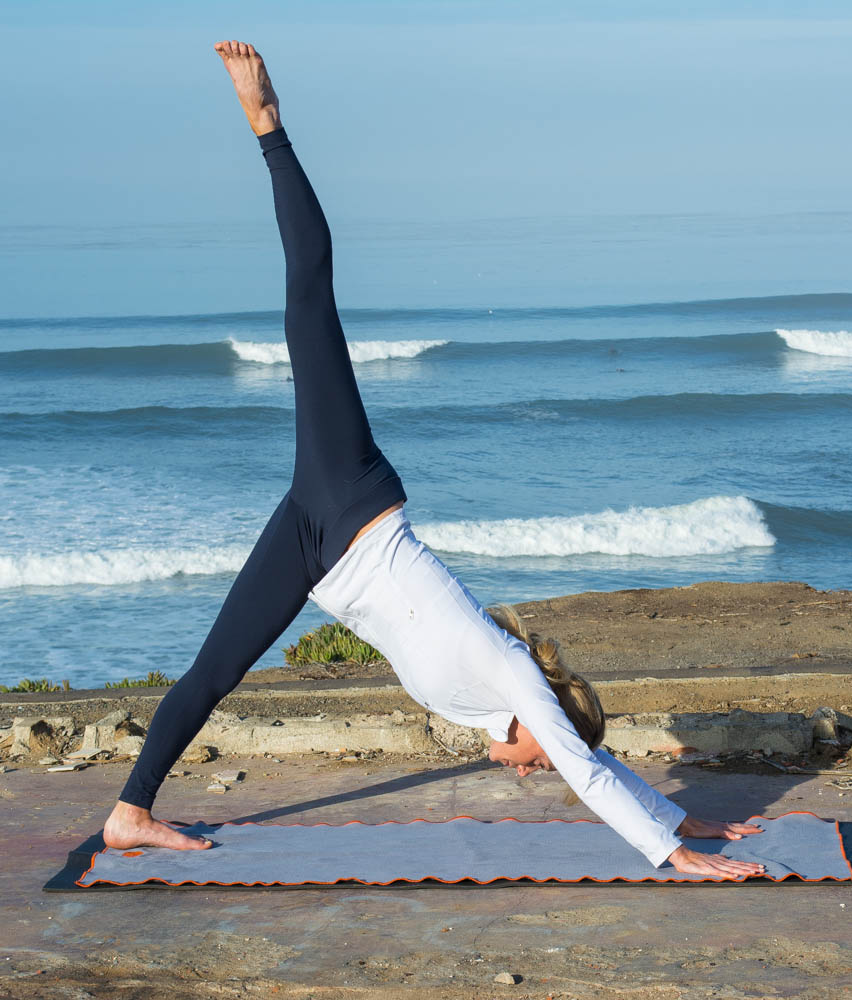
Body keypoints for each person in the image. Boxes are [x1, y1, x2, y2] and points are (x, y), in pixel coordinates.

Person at [102, 40, 766, 879]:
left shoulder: (506, 709)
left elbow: (591, 760)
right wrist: (674, 853)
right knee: (311, 297)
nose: (534, 769)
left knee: (214, 668)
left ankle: (130, 813)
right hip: (351, 500)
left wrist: (685, 813)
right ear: (543, 722)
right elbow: (586, 766)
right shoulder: (515, 678)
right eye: (539, 757)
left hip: (318, 547)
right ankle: (267, 124)